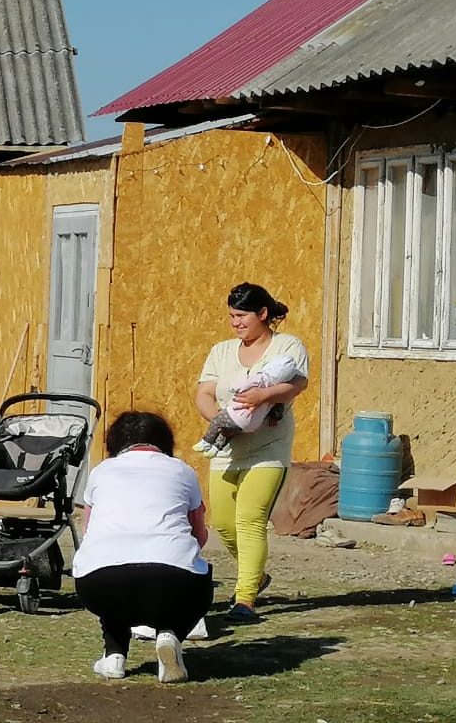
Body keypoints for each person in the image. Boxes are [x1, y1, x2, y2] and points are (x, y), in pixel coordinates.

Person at [193, 282, 309, 623]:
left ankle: (244, 599)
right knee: (225, 524)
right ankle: (255, 575)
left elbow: (298, 383)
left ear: (263, 314)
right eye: (231, 316)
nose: (236, 323)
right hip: (228, 445)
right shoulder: (222, 351)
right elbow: (204, 392)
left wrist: (264, 397)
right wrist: (219, 420)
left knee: (250, 519)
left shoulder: (287, 345)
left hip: (269, 447)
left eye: (242, 316)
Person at [73, 410, 211, 684]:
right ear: (164, 442)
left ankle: (114, 656)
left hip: (96, 583)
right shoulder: (183, 471)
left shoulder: (100, 472)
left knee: (114, 579)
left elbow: (88, 530)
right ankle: (170, 633)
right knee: (194, 579)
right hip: (174, 578)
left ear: (115, 443)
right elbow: (199, 534)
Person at [192, 354, 301, 458]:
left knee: (217, 421)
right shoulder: (275, 391)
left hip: (238, 415)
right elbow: (277, 409)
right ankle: (216, 448)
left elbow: (240, 385)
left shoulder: (259, 379)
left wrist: (233, 388)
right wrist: (274, 419)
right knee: (228, 432)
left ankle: (207, 441)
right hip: (253, 424)